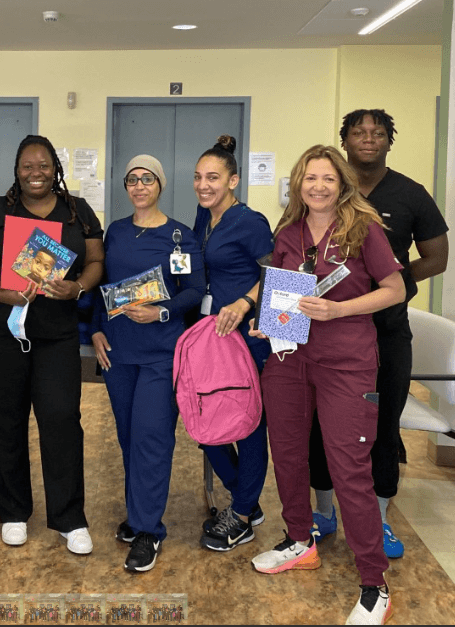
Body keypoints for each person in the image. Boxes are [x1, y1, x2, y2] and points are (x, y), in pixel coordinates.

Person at [250, 145, 405, 625]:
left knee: (348, 467)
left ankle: (373, 583)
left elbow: (394, 290)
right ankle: (300, 540)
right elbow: (279, 287)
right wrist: (265, 320)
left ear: (342, 184)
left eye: (328, 179)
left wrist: (339, 309)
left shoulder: (364, 229)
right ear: (298, 184)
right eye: (309, 178)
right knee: (291, 453)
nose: (318, 186)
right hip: (289, 355)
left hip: (346, 360)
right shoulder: (289, 232)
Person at [308, 110, 449, 559]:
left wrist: (393, 283)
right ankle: (324, 512)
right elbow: (295, 260)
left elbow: (437, 257)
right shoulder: (325, 191)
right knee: (320, 426)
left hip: (386, 331)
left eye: (378, 133)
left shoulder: (410, 194)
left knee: (383, 426)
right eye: (358, 132)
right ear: (344, 139)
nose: (368, 139)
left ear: (390, 140)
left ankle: (379, 517)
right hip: (325, 333)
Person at [0, 134, 104, 554]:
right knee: (6, 422)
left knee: (60, 418)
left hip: (55, 334)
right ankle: (14, 511)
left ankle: (69, 518)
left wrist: (77, 287)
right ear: (16, 170)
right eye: (27, 166)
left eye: (43, 166)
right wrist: (2, 295)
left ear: (55, 169)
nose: (35, 173)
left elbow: (95, 261)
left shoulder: (77, 211)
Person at [91, 155, 205, 572]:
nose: (139, 186)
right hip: (119, 352)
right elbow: (101, 285)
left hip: (161, 353)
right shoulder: (115, 232)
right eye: (132, 179)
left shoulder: (180, 236)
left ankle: (148, 530)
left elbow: (194, 291)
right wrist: (96, 330)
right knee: (128, 436)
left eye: (147, 179)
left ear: (160, 184)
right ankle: (139, 512)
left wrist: (162, 312)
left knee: (152, 437)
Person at [190, 136, 273, 551]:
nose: (204, 185)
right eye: (199, 177)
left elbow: (275, 275)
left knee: (249, 423)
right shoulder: (206, 219)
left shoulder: (251, 222)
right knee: (205, 417)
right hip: (213, 336)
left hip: (246, 336)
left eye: (214, 178)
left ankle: (241, 515)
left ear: (234, 180)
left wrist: (244, 302)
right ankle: (247, 498)